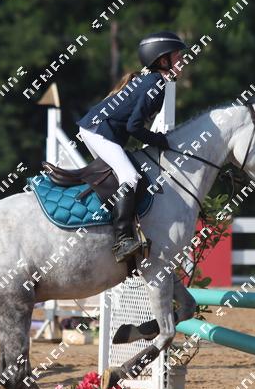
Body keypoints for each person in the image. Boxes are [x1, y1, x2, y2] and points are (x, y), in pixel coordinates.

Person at [77, 31, 186, 263]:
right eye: (178, 57)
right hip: (99, 131)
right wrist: (159, 140)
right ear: (163, 60)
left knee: (118, 176)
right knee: (129, 175)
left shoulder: (153, 81)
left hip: (96, 129)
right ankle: (122, 240)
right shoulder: (156, 84)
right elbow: (134, 126)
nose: (183, 61)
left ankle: (111, 228)